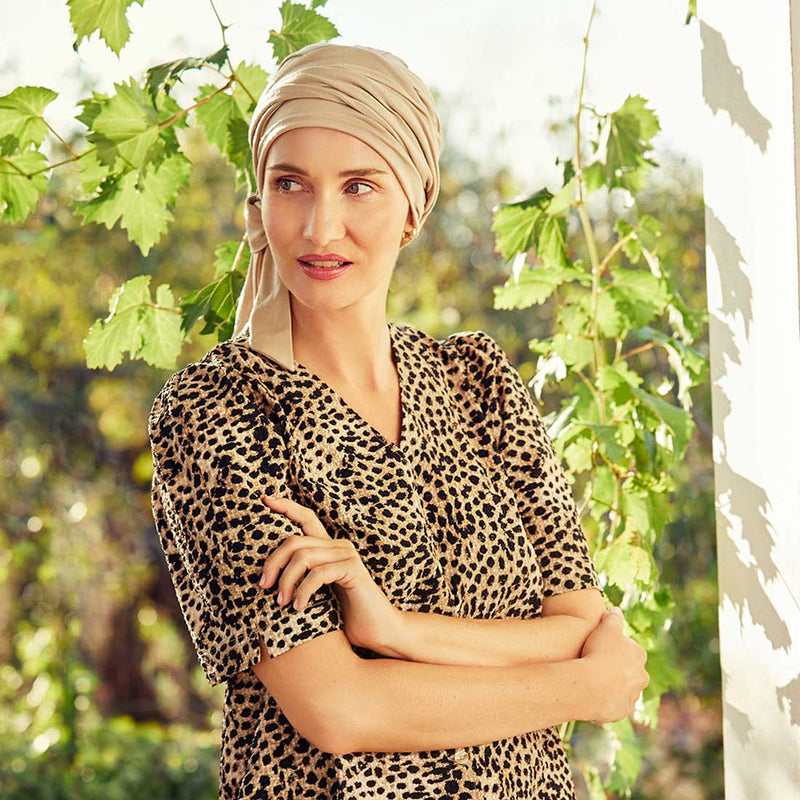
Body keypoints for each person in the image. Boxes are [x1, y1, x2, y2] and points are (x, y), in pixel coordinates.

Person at [147, 41, 649, 800]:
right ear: (259, 201)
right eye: (290, 184)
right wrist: (584, 688)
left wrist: (394, 631)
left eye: (359, 187)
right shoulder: (218, 410)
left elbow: (581, 625)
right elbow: (340, 708)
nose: (321, 228)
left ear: (413, 207)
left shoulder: (479, 382)